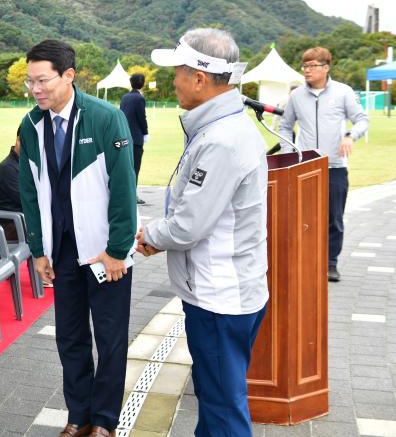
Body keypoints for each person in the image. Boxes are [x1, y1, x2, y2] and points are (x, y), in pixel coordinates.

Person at [137, 28, 269, 437]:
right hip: (228, 290)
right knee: (216, 402)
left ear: (199, 78)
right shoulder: (224, 127)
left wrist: (150, 236)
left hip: (219, 296)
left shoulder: (221, 139)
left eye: (178, 71)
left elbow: (189, 224)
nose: (173, 80)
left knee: (224, 409)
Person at [18, 39, 137, 437]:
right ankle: (79, 415)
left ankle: (104, 421)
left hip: (105, 252)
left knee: (110, 338)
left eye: (42, 81)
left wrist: (118, 249)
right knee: (70, 337)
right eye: (30, 82)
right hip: (61, 251)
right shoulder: (31, 124)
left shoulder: (105, 117)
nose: (36, 90)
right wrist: (38, 250)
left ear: (68, 75)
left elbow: (123, 187)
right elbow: (31, 193)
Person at [278, 46, 369, 282]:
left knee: (334, 219)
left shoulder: (343, 92)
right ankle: (304, 260)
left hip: (335, 167)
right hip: (303, 168)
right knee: (301, 218)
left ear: (326, 68)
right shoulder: (296, 96)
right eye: (305, 66)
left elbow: (361, 120)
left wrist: (350, 136)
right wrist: (290, 152)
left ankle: (331, 263)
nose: (306, 70)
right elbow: (285, 126)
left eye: (312, 66)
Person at [119, 73, 149, 204]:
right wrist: (145, 132)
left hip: (123, 136)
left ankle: (124, 194)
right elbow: (142, 118)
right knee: (135, 168)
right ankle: (132, 196)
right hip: (136, 138)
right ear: (142, 84)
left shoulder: (125, 97)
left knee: (125, 167)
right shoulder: (139, 98)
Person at [0, 126, 22, 242]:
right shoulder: (8, 167)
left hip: (19, 219)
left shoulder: (23, 163)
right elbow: (24, 199)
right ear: (18, 140)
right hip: (11, 225)